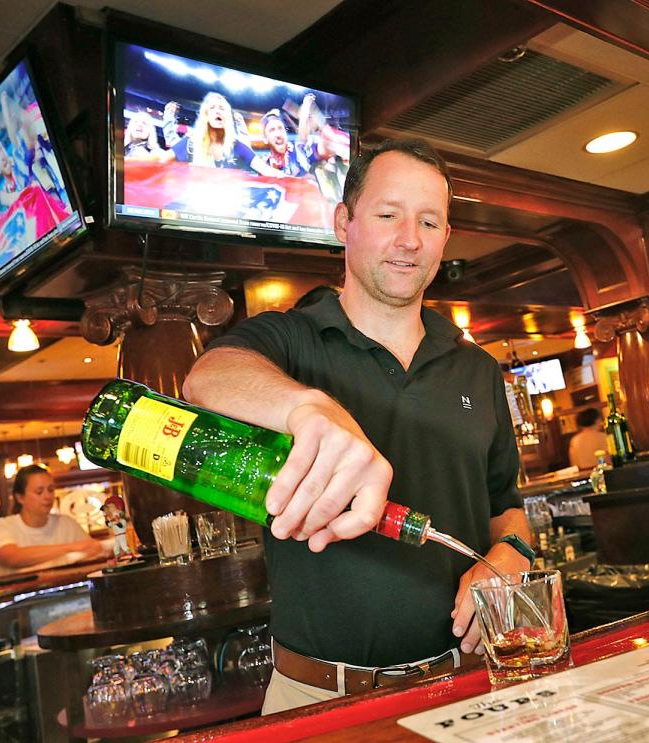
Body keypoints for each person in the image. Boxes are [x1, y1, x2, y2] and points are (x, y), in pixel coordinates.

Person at [182, 138, 532, 714]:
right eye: (388, 215)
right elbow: (210, 375)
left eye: (429, 221)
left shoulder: (476, 367)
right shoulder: (290, 338)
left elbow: (504, 505)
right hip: (316, 695)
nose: (409, 239)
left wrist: (512, 554)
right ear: (345, 221)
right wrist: (307, 408)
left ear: (446, 236)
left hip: (469, 680)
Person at [0, 465, 104, 577]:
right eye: (39, 492)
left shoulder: (67, 524)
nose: (47, 497)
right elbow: (12, 557)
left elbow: (93, 552)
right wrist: (71, 548)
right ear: (20, 497)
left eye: (51, 490)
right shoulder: (0, 526)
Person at [157, 92, 284, 176]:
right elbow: (160, 162)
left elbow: (266, 170)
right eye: (212, 108)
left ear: (227, 117)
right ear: (206, 116)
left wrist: (297, 182)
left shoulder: (238, 147)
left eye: (222, 108)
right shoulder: (190, 143)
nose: (218, 111)